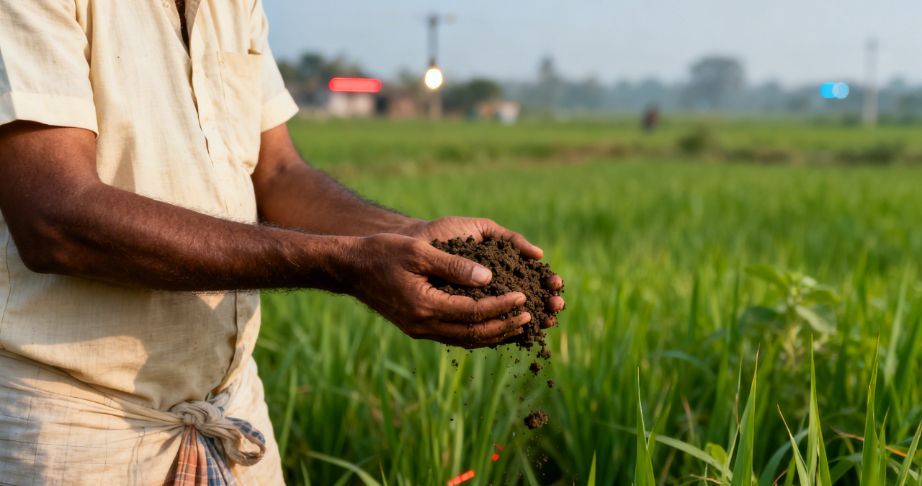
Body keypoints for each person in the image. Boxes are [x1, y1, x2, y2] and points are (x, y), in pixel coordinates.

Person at [0, 1, 564, 484]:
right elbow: (55, 215)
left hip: (230, 407)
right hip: (72, 424)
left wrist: (413, 240)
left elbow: (277, 174)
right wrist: (344, 265)